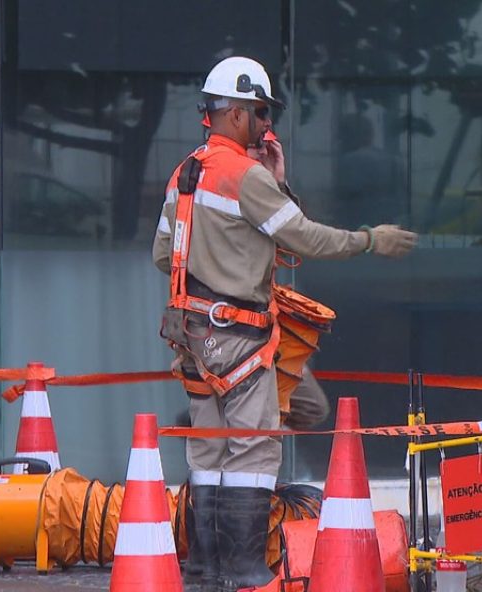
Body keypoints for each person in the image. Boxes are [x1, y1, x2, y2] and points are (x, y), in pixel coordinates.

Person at [152, 56, 417, 591]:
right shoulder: (244, 176)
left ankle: (205, 570)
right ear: (236, 113)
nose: (266, 127)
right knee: (253, 449)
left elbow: (164, 254)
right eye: (259, 115)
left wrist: (234, 239)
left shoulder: (186, 172)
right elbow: (305, 239)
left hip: (191, 336)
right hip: (239, 336)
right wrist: (369, 240)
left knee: (207, 449)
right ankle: (247, 572)